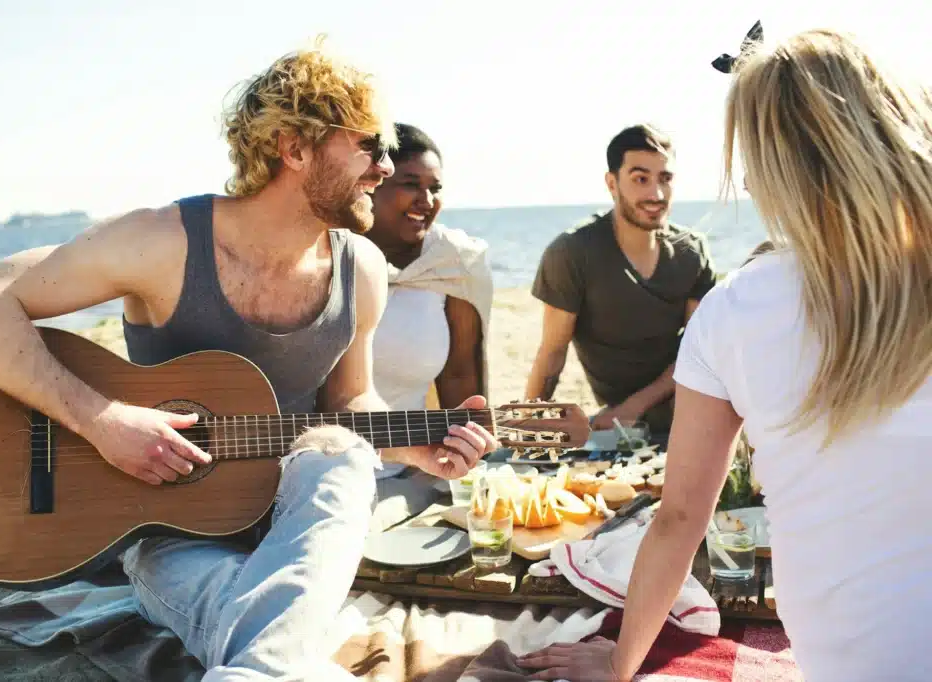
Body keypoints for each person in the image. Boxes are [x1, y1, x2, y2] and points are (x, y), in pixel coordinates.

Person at [0, 42, 498, 681]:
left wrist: (417, 447)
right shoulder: (162, 241)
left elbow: (348, 404)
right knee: (274, 628)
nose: (384, 168)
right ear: (295, 148)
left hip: (293, 529)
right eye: (370, 146)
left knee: (341, 456)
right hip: (170, 537)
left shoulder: (360, 268)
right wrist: (102, 420)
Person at [519, 28, 932, 682]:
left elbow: (682, 518)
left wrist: (622, 665)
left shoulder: (740, 307)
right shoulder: (588, 257)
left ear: (768, 165)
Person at [524, 124, 717, 436]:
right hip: (619, 419)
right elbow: (552, 352)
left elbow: (699, 352)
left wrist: (632, 408)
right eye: (640, 179)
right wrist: (527, 427)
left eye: (665, 179)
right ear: (611, 183)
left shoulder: (691, 251)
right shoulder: (573, 252)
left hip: (688, 399)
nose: (656, 194)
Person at [365, 122, 493, 477]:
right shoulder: (321, 258)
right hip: (312, 471)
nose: (427, 200)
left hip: (411, 475)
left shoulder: (452, 262)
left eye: (435, 188)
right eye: (410, 184)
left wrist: (464, 463)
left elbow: (459, 375)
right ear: (371, 184)